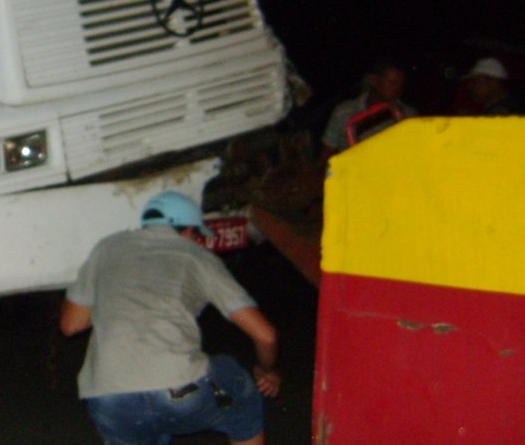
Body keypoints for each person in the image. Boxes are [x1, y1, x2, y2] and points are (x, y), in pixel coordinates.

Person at [60, 191, 280, 445]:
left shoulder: (107, 247)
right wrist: (267, 371)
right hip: (179, 390)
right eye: (197, 235)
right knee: (237, 387)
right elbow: (265, 334)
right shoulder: (196, 256)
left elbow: (70, 324)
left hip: (110, 399)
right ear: (188, 232)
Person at [320, 61, 416, 158]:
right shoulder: (344, 112)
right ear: (373, 80)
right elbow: (327, 154)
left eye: (401, 84)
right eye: (392, 82)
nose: (398, 89)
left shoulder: (408, 116)